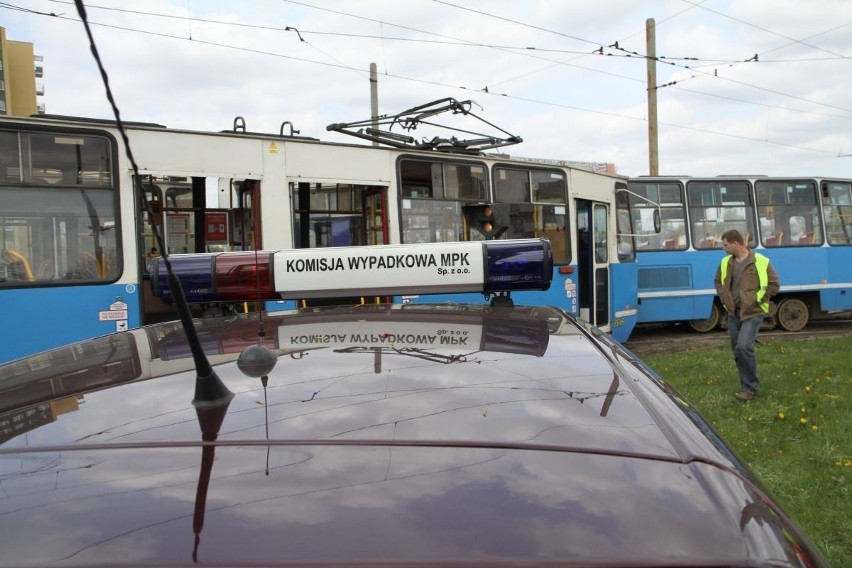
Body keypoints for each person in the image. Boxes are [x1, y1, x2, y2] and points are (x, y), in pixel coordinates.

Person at [714, 229, 780, 401]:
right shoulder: (725, 262)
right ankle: (746, 386)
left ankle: (750, 388)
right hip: (733, 313)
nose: (723, 248)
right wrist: (724, 297)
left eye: (725, 244)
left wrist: (759, 300)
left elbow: (774, 284)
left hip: (753, 312)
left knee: (744, 347)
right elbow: (717, 281)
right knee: (738, 351)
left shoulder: (761, 261)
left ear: (736, 243)